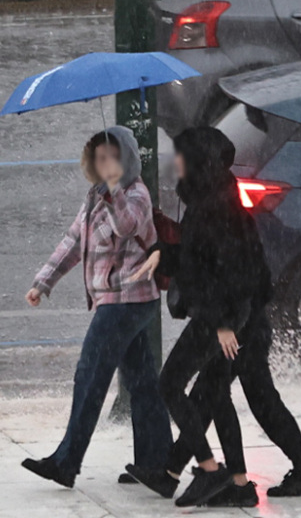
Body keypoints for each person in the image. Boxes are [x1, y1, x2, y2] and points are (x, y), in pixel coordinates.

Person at [20, 127, 172, 489]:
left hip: (128, 301)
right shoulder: (93, 196)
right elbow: (73, 242)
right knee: (143, 383)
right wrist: (43, 282)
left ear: (127, 159)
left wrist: (116, 189)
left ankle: (66, 462)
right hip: (116, 301)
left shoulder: (135, 194)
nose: (106, 164)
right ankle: (160, 466)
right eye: (100, 158)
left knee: (88, 376)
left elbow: (127, 224)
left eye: (112, 157)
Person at [123, 127, 255, 507]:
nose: (175, 160)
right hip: (222, 312)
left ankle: (210, 470)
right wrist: (163, 252)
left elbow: (227, 272)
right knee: (216, 396)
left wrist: (223, 325)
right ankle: (236, 484)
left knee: (170, 385)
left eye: (181, 154)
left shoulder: (215, 207)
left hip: (220, 314)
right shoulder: (209, 198)